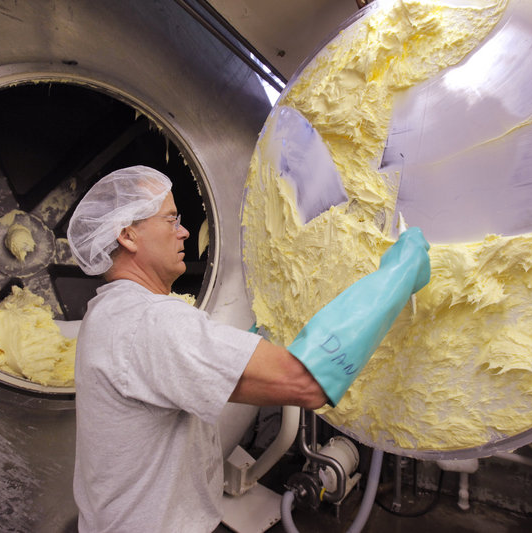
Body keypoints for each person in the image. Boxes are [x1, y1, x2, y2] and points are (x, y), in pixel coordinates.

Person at [67, 166, 430, 532]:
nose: (184, 231)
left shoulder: (109, 312)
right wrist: (396, 279)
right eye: (171, 219)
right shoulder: (150, 323)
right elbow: (305, 382)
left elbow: (182, 363)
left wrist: (254, 338)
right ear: (128, 236)